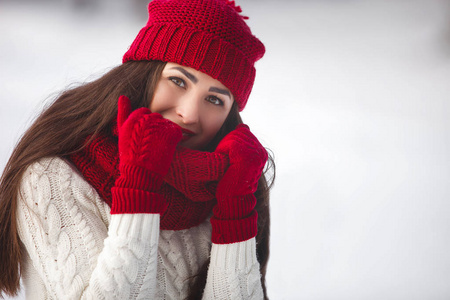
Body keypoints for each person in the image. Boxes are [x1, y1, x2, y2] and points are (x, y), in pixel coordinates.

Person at [0, 0, 274, 298]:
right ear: (144, 73)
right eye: (178, 80)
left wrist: (235, 212)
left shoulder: (220, 187)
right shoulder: (53, 176)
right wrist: (139, 186)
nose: (190, 114)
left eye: (215, 100)